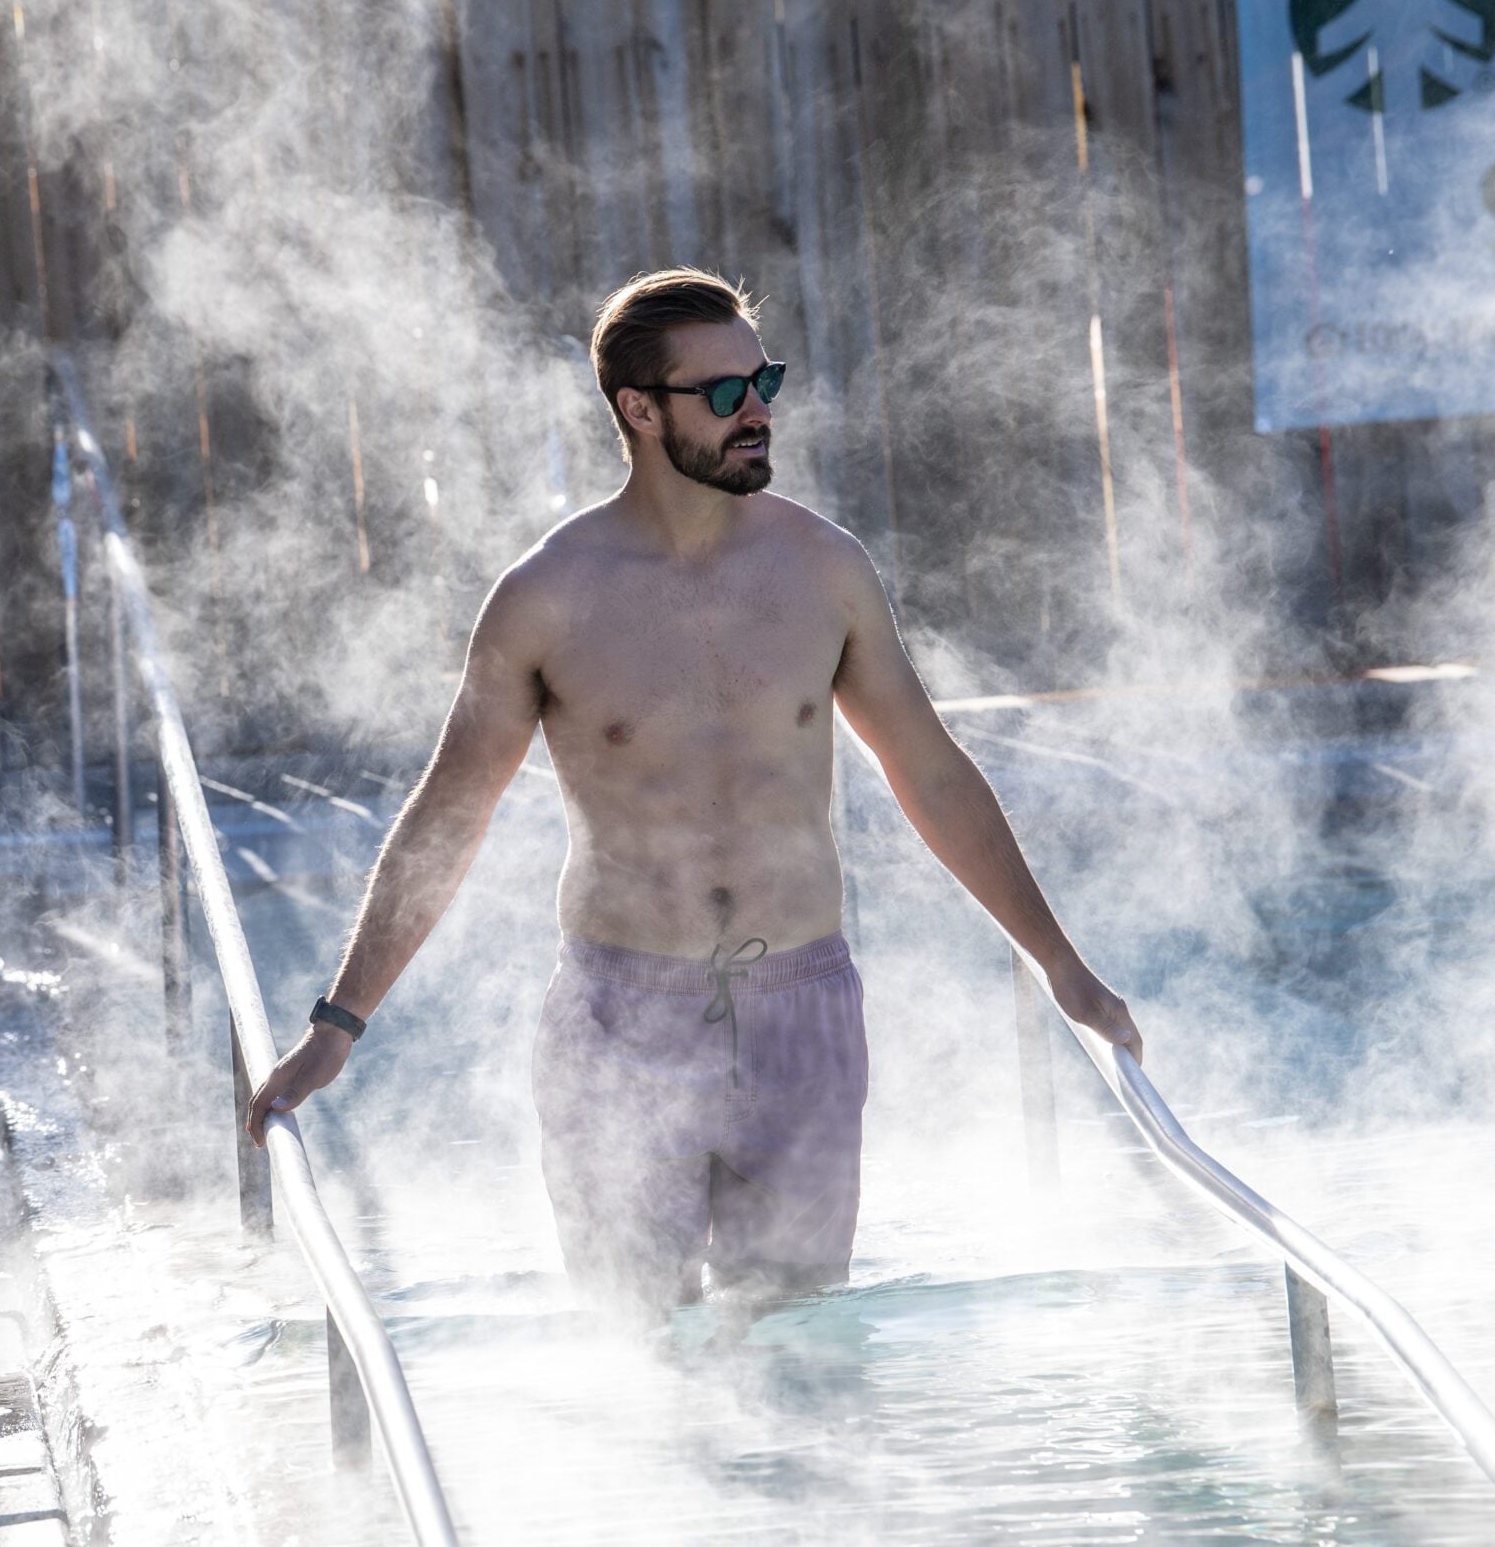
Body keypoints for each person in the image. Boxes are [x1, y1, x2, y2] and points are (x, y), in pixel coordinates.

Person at [246, 267, 1140, 1317]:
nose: (756, 409)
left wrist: (1060, 965)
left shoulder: (823, 570)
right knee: (640, 1354)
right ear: (638, 409)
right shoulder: (546, 598)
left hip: (799, 1010)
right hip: (623, 1017)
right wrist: (336, 1023)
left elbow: (931, 772)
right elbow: (449, 815)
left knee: (796, 1350)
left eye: (762, 380)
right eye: (723, 393)